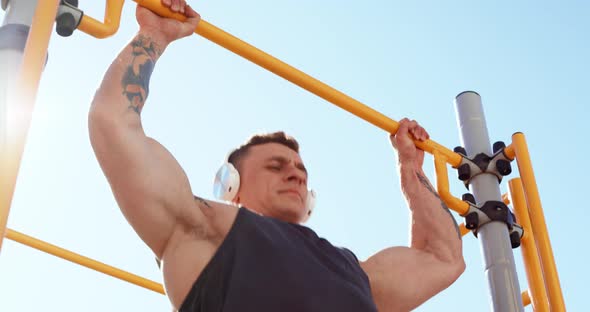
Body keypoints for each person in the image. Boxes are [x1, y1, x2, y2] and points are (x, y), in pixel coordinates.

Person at [88, 1, 465, 311]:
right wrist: (153, 36)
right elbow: (113, 124)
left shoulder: (355, 273)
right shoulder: (204, 227)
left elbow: (444, 258)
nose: (296, 175)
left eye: (301, 169)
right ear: (232, 186)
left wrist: (410, 170)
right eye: (276, 165)